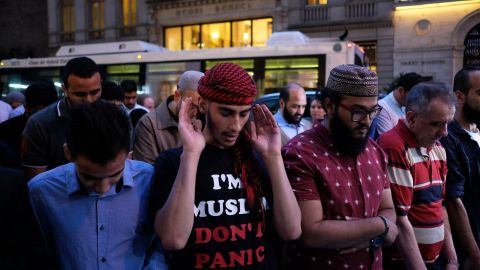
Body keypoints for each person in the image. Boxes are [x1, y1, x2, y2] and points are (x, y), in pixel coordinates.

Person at [152, 63, 301, 269]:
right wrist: (191, 154)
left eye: (243, 114)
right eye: (226, 113)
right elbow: (173, 239)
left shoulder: (260, 158)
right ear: (203, 104)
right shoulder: (172, 162)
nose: (235, 126)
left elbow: (292, 230)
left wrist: (273, 157)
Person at [282, 64, 397, 270]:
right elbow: (311, 233)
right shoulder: (300, 153)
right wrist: (382, 226)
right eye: (358, 112)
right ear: (330, 106)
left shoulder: (375, 151)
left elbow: (388, 208)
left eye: (373, 111)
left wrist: (372, 237)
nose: (367, 121)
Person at [28, 101, 166, 270]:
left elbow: (159, 245)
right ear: (68, 153)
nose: (103, 188)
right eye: (89, 176)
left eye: (114, 175)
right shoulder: (41, 191)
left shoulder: (149, 180)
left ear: (128, 154)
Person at [378, 82, 457, 270]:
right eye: (436, 124)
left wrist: (452, 260)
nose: (444, 133)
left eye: (448, 124)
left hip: (435, 261)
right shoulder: (394, 146)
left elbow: (440, 206)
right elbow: (400, 218)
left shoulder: (438, 148)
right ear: (412, 118)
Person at [22, 57, 102, 179]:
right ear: (65, 89)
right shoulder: (39, 123)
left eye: (95, 92)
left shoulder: (118, 116)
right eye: (80, 94)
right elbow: (37, 183)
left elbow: (126, 167)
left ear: (101, 83)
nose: (88, 100)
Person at [440, 67, 480, 270]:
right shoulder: (449, 139)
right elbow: (454, 200)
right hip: (469, 246)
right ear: (460, 96)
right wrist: (474, 252)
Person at [133, 70, 203, 164]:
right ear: (177, 96)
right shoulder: (149, 123)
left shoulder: (201, 120)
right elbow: (146, 173)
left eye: (202, 107)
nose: (196, 113)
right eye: (192, 106)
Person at [0, 82, 58, 159]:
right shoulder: (5, 130)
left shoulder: (63, 126)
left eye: (49, 113)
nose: (45, 119)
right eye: (40, 114)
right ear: (26, 108)